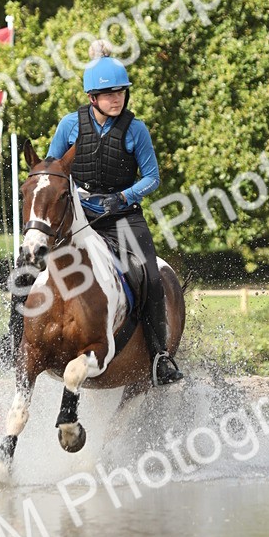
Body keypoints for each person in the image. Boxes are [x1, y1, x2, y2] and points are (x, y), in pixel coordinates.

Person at [44, 41, 183, 386]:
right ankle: (14, 340)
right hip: (78, 218)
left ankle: (160, 356)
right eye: (108, 94)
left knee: (149, 275)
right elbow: (51, 170)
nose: (116, 98)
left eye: (120, 92)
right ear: (92, 97)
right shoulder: (69, 126)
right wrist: (74, 196)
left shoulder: (136, 130)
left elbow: (152, 177)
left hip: (122, 217)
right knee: (29, 265)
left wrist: (122, 196)